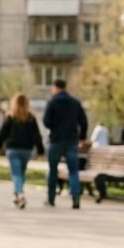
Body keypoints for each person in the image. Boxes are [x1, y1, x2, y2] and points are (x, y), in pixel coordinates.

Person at [42, 79, 88, 209]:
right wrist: (82, 137)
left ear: (55, 87)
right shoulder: (75, 102)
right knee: (73, 171)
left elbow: (46, 122)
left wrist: (55, 126)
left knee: (52, 170)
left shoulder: (52, 102)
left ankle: (51, 198)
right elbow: (83, 121)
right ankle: (75, 198)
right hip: (71, 140)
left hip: (56, 140)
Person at [0, 93, 45, 209]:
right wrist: (40, 150)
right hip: (26, 150)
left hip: (13, 149)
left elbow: (2, 133)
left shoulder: (10, 117)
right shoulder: (30, 118)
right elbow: (37, 135)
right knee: (21, 173)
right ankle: (17, 196)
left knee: (16, 173)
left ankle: (20, 193)